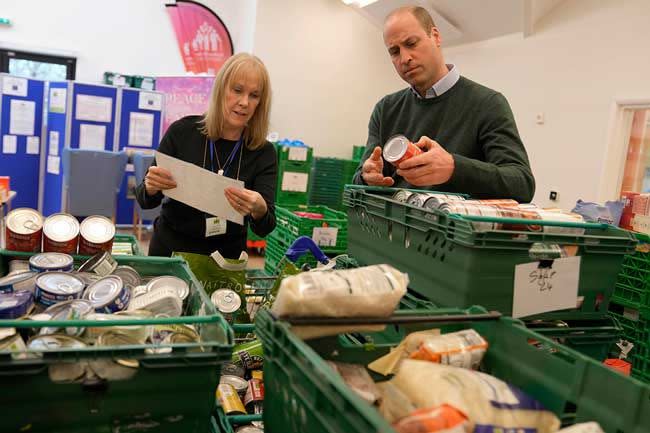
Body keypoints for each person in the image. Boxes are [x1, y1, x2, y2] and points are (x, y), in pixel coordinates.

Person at [353, 6, 535, 203]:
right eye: (395, 51)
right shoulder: (385, 109)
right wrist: (366, 177)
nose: (405, 58)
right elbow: (359, 180)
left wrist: (454, 168)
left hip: (455, 231)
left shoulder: (488, 104)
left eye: (411, 43)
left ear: (435, 36)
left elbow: (522, 183)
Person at [134, 53, 277, 258]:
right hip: (170, 251)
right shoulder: (182, 132)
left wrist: (260, 209)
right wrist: (150, 187)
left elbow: (265, 227)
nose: (244, 102)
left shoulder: (263, 153)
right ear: (221, 90)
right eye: (237, 90)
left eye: (254, 95)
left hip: (225, 259)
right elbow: (145, 200)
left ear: (260, 103)